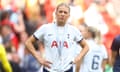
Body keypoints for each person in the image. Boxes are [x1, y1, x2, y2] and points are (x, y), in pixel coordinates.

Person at [25, 3, 89, 72]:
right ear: (55, 13)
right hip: (49, 69)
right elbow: (28, 42)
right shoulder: (46, 28)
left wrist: (78, 58)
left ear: (69, 15)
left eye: (65, 12)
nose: (62, 14)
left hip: (67, 69)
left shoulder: (73, 30)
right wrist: (39, 58)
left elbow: (86, 46)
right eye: (60, 11)